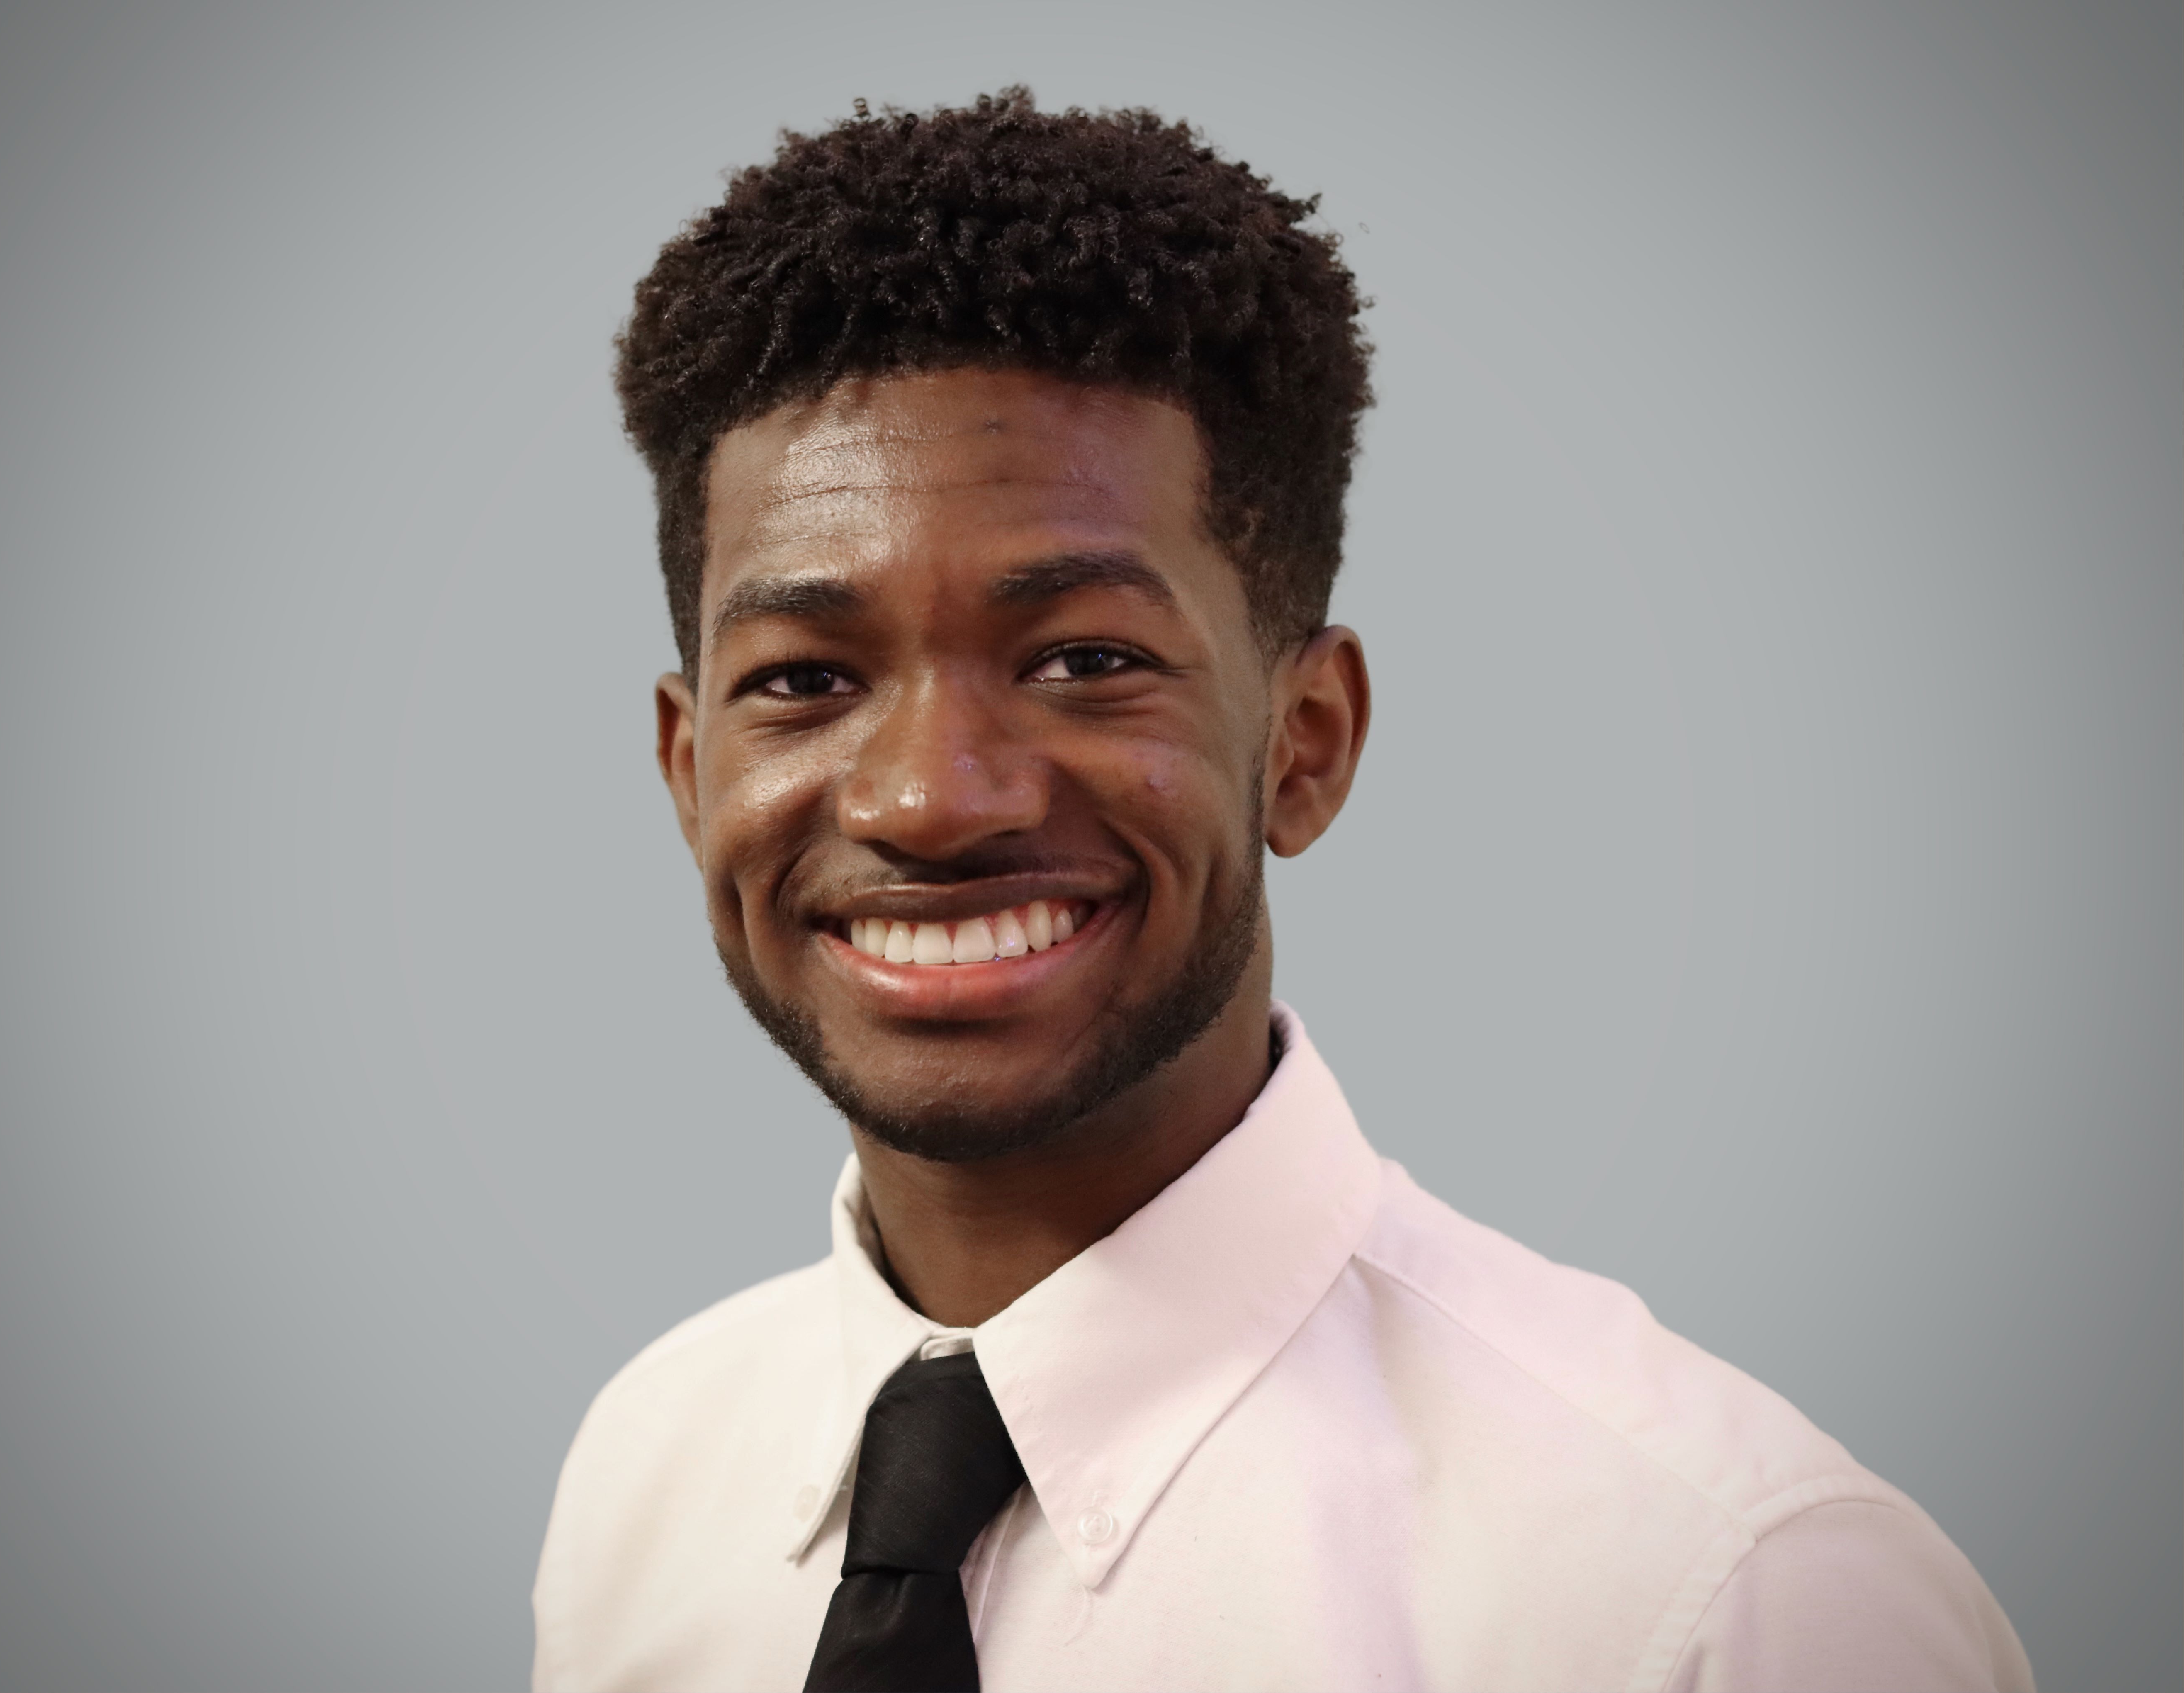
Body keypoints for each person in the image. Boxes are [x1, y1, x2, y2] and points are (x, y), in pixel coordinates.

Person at [532, 89, 2032, 1693]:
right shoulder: (646, 1473)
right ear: (690, 773)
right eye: (807, 676)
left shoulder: (1727, 1601)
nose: (929, 795)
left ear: (1304, 744)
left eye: (1085, 660)